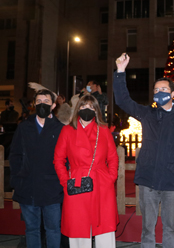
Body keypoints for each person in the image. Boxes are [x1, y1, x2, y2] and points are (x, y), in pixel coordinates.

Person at [113, 53, 174, 248]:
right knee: (147, 227)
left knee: (170, 227)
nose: (159, 92)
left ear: (172, 93)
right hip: (148, 180)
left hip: (171, 180)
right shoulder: (147, 114)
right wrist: (120, 71)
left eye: (163, 89)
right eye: (156, 89)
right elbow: (123, 101)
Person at [53, 94, 119, 248]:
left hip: (102, 183)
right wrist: (65, 181)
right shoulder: (67, 131)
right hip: (76, 182)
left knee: (105, 230)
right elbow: (58, 160)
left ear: (96, 111)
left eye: (91, 107)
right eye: (83, 106)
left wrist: (110, 178)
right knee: (78, 228)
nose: (86, 109)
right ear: (78, 109)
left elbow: (113, 158)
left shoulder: (103, 131)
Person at [9, 89, 64, 248]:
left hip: (52, 189)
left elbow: (66, 160)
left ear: (53, 105)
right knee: (32, 229)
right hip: (27, 187)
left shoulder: (60, 129)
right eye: (38, 101)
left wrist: (61, 183)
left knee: (53, 229)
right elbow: (15, 154)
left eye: (46, 102)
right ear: (34, 104)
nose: (42, 105)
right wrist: (17, 179)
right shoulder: (24, 127)